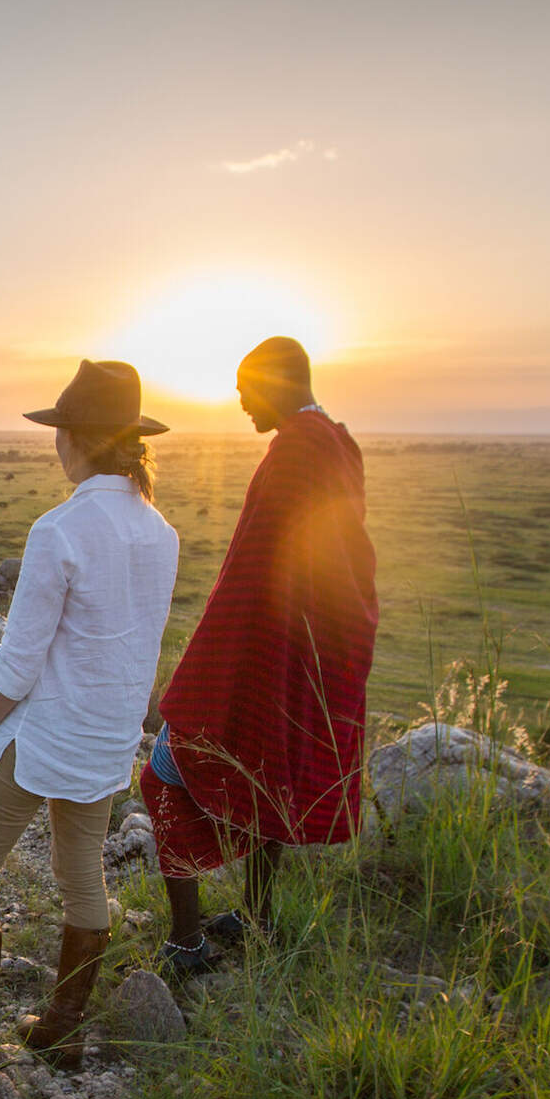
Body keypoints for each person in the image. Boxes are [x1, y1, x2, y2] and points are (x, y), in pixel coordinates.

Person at [0, 359, 179, 1075]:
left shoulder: (58, 528)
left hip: (44, 733)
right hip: (106, 737)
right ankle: (61, 1027)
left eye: (59, 431)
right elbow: (139, 649)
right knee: (80, 874)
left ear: (75, 438)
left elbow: (20, 659)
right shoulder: (161, 532)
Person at [145, 335, 378, 975]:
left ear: (274, 384)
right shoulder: (336, 441)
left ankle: (186, 945)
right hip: (310, 655)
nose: (242, 406)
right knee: (269, 784)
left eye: (247, 391)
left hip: (269, 653)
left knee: (164, 772)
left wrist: (207, 672)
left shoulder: (295, 452)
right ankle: (259, 918)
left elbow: (253, 576)